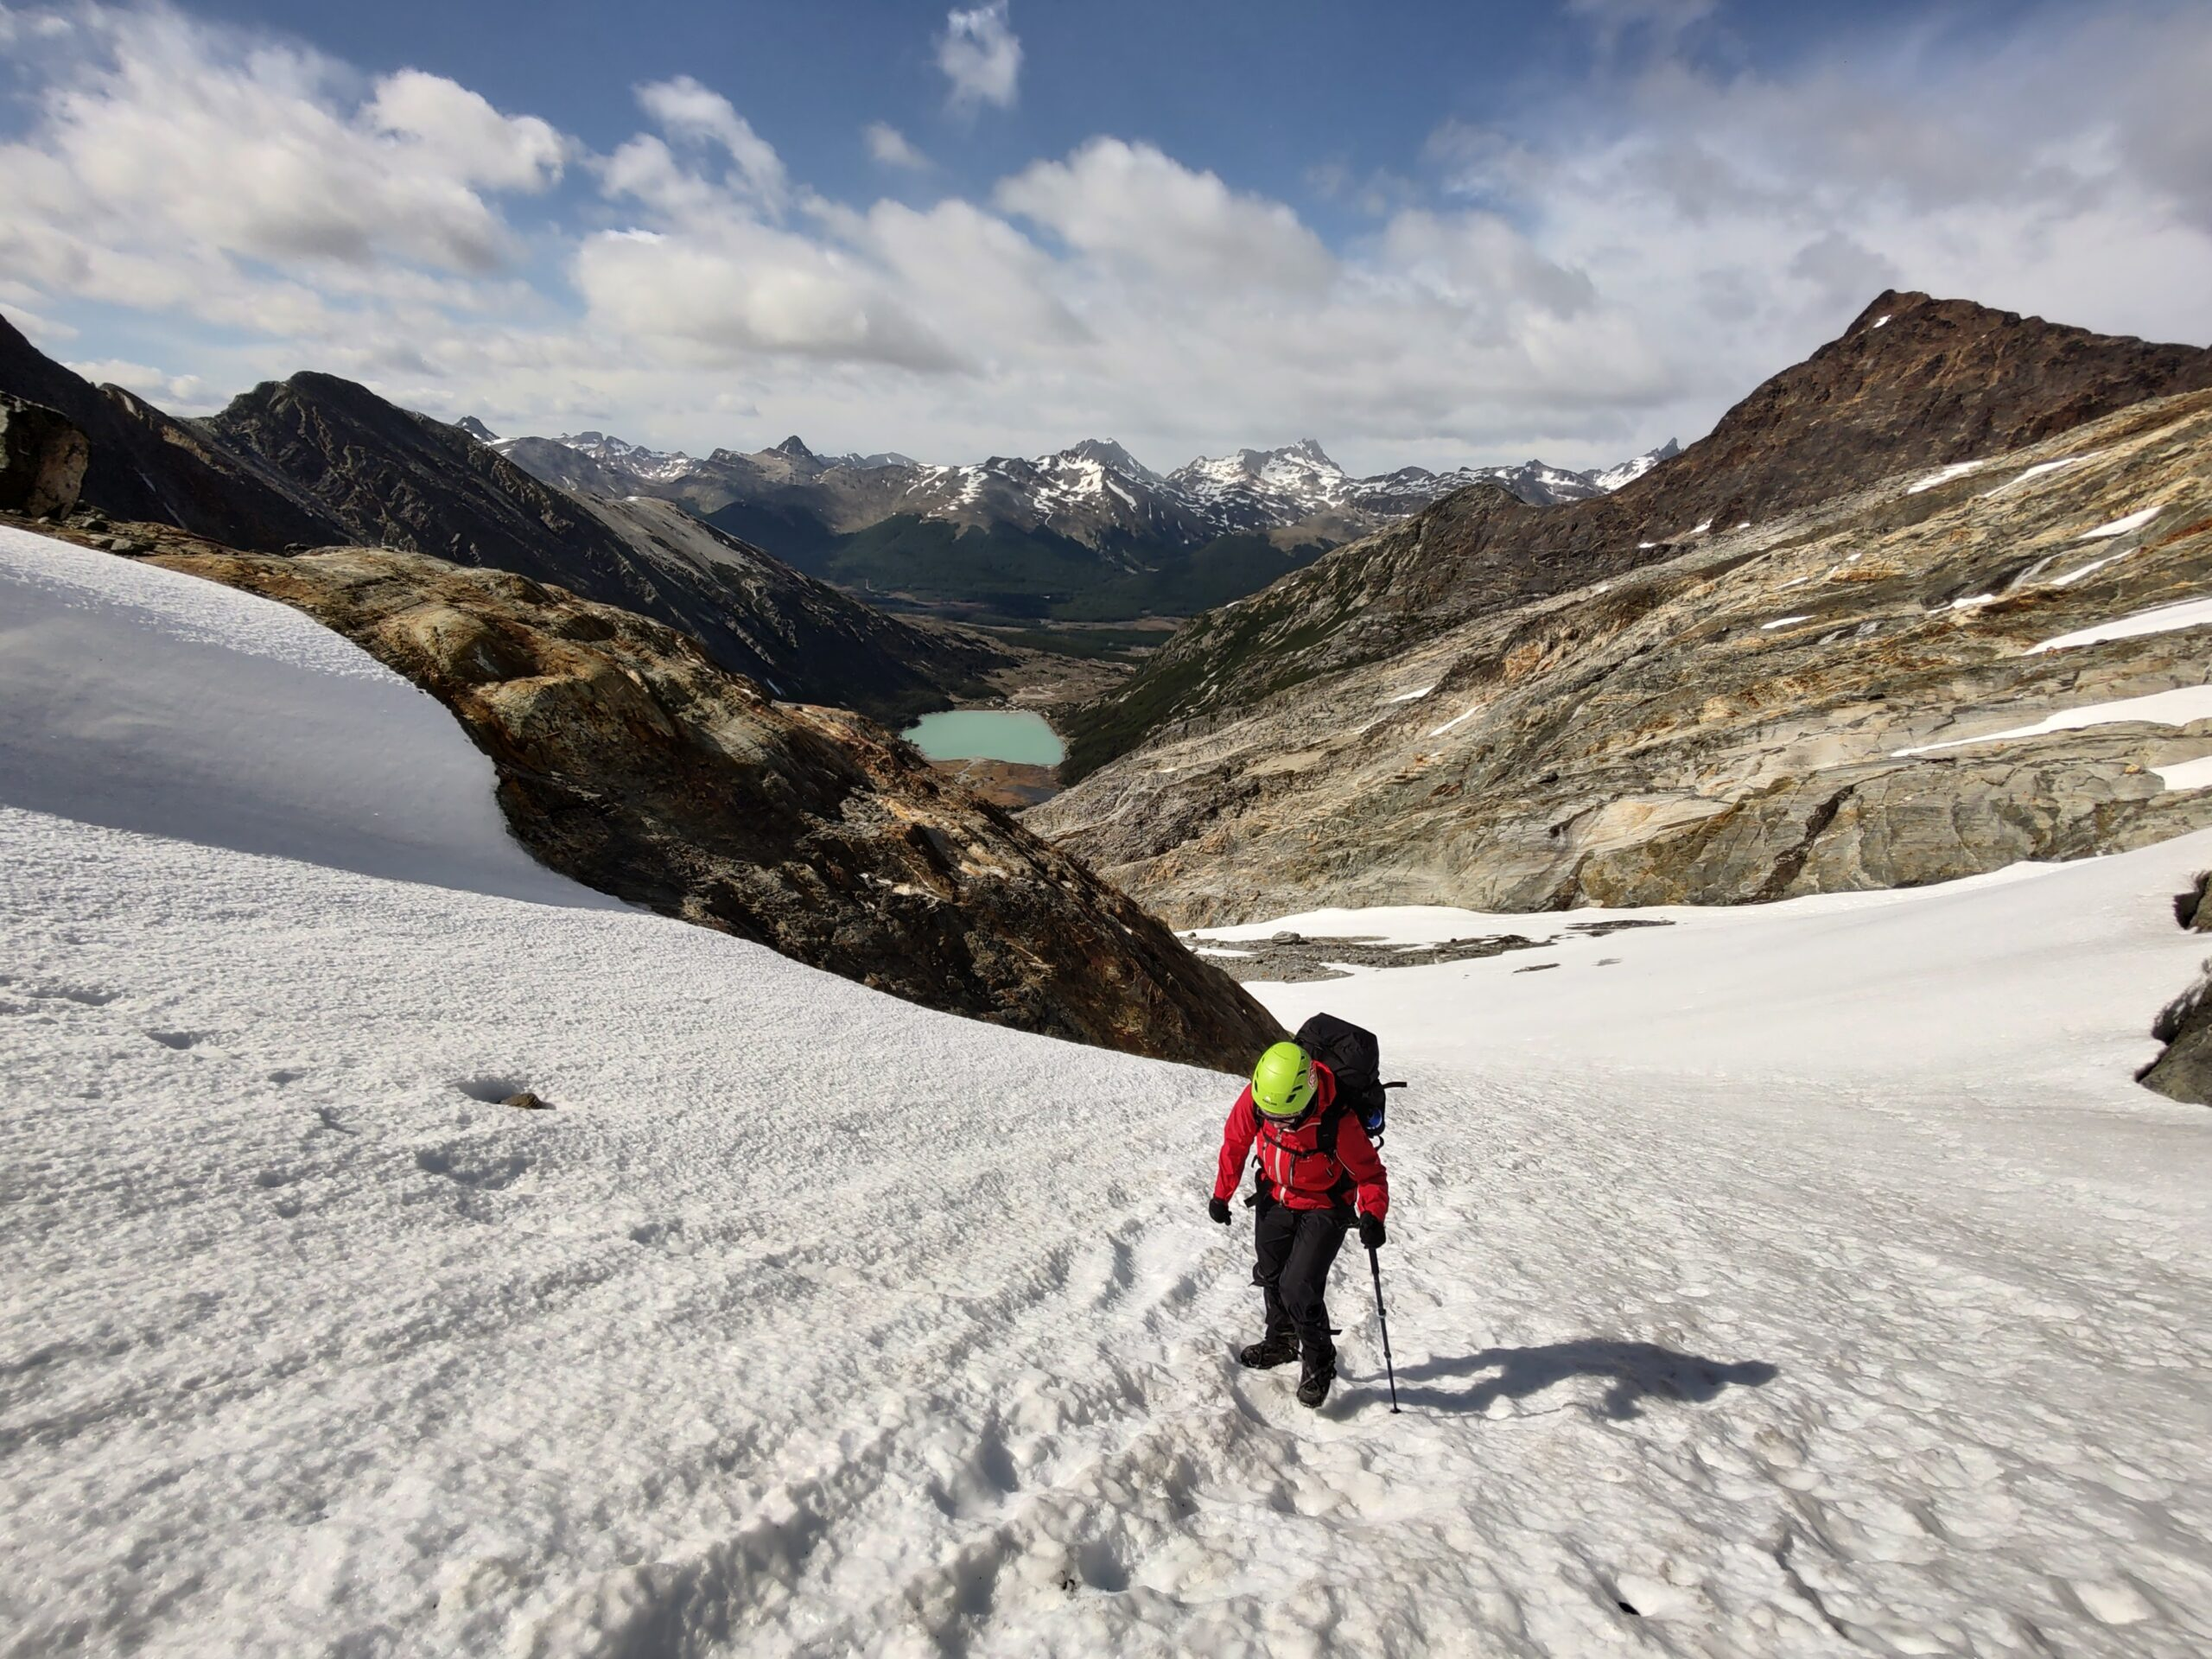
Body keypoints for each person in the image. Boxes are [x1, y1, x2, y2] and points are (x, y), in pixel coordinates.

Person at [1209, 1039, 1389, 1408]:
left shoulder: (1339, 1120)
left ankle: (1319, 1359)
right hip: (1275, 1194)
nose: (1277, 1125)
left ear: (1307, 1097)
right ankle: (1282, 1340)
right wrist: (1220, 1194)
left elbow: (1371, 1175)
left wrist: (1373, 1214)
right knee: (1271, 1272)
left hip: (1326, 1205)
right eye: (1270, 1117)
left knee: (1298, 1286)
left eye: (1286, 1119)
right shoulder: (1263, 1098)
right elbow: (1235, 1141)